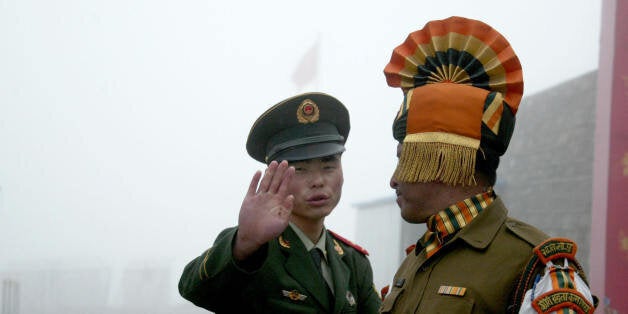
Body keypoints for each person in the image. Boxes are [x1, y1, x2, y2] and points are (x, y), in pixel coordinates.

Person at [378, 16, 597, 313]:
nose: (393, 179)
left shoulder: (538, 266)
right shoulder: (415, 260)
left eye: (404, 159)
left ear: (444, 160)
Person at [178, 92, 381, 313]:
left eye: (328, 166)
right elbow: (194, 289)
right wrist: (243, 244)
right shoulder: (253, 250)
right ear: (274, 176)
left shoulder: (353, 262)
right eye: (300, 169)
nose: (318, 181)